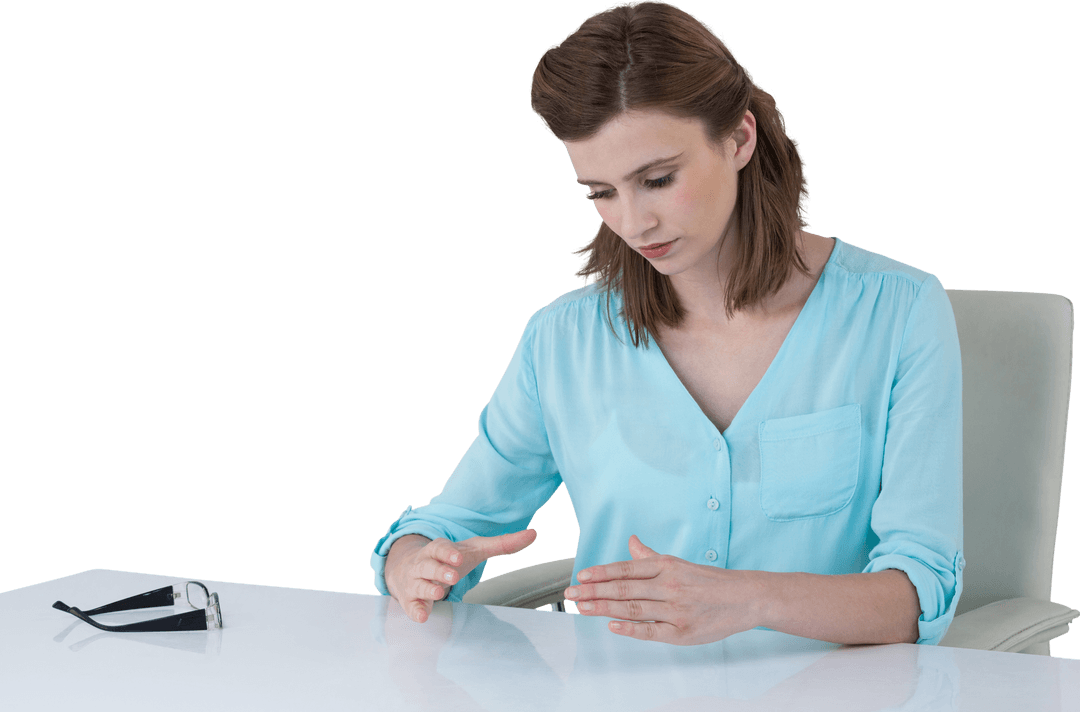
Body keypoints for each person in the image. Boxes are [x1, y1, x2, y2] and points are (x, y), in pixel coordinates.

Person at [371, 0, 964, 647]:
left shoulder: (900, 310)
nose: (632, 222)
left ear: (738, 139)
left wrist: (747, 600)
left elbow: (920, 591)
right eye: (600, 192)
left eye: (656, 179)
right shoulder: (563, 341)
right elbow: (451, 523)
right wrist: (413, 562)